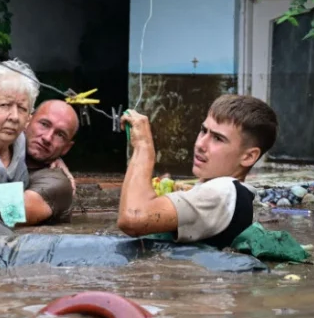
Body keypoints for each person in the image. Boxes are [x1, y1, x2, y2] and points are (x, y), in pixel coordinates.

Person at [117, 94, 278, 247]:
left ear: (249, 156)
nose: (200, 144)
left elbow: (133, 218)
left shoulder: (222, 191)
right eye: (203, 130)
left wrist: (143, 146)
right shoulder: (234, 194)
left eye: (217, 138)